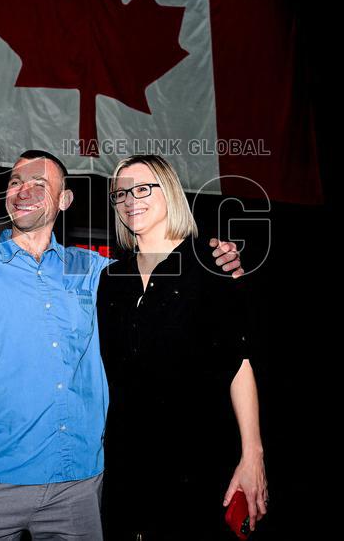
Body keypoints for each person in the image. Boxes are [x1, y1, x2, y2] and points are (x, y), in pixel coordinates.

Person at [0, 150, 243, 540]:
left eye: (39, 184)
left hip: (80, 483)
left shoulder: (94, 270)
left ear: (65, 200)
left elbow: (158, 266)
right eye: (14, 182)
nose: (23, 190)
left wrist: (215, 254)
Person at [97, 154, 269, 539]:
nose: (130, 199)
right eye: (121, 193)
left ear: (170, 192)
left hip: (197, 462)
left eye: (143, 188)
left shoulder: (211, 263)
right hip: (127, 464)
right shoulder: (112, 278)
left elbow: (238, 364)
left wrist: (252, 454)